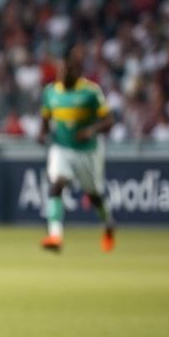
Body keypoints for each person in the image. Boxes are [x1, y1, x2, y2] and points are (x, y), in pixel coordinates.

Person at [38, 47, 115, 253]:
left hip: (87, 151)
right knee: (56, 185)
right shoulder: (51, 92)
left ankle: (108, 224)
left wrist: (91, 130)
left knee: (94, 194)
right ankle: (55, 236)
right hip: (61, 148)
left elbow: (109, 121)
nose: (62, 75)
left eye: (67, 71)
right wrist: (42, 133)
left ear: (77, 72)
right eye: (60, 71)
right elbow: (46, 118)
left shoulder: (91, 92)